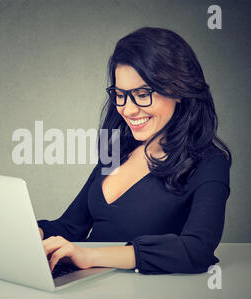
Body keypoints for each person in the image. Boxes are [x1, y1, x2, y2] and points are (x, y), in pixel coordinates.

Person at [37, 27, 232, 275]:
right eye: (120, 95)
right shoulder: (118, 149)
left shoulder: (209, 163)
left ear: (179, 91)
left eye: (142, 94)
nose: (128, 110)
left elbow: (197, 250)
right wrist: (31, 233)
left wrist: (90, 256)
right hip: (84, 286)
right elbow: (70, 227)